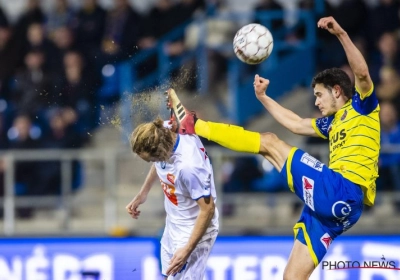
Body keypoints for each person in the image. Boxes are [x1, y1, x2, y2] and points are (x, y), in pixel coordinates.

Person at [166, 16, 380, 279]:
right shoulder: (332, 124)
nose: (316, 103)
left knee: (268, 141)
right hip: (339, 211)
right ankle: (196, 125)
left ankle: (196, 126)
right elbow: (296, 123)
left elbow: (361, 74)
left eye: (319, 95)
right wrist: (263, 98)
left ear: (337, 91)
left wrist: (341, 33)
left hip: (341, 189)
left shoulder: (362, 108)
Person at [126, 117, 219, 279]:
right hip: (174, 224)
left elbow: (208, 209)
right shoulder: (163, 131)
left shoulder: (188, 167)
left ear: (160, 152)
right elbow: (159, 164)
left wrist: (187, 249)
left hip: (193, 231)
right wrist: (143, 193)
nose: (151, 163)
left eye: (151, 159)